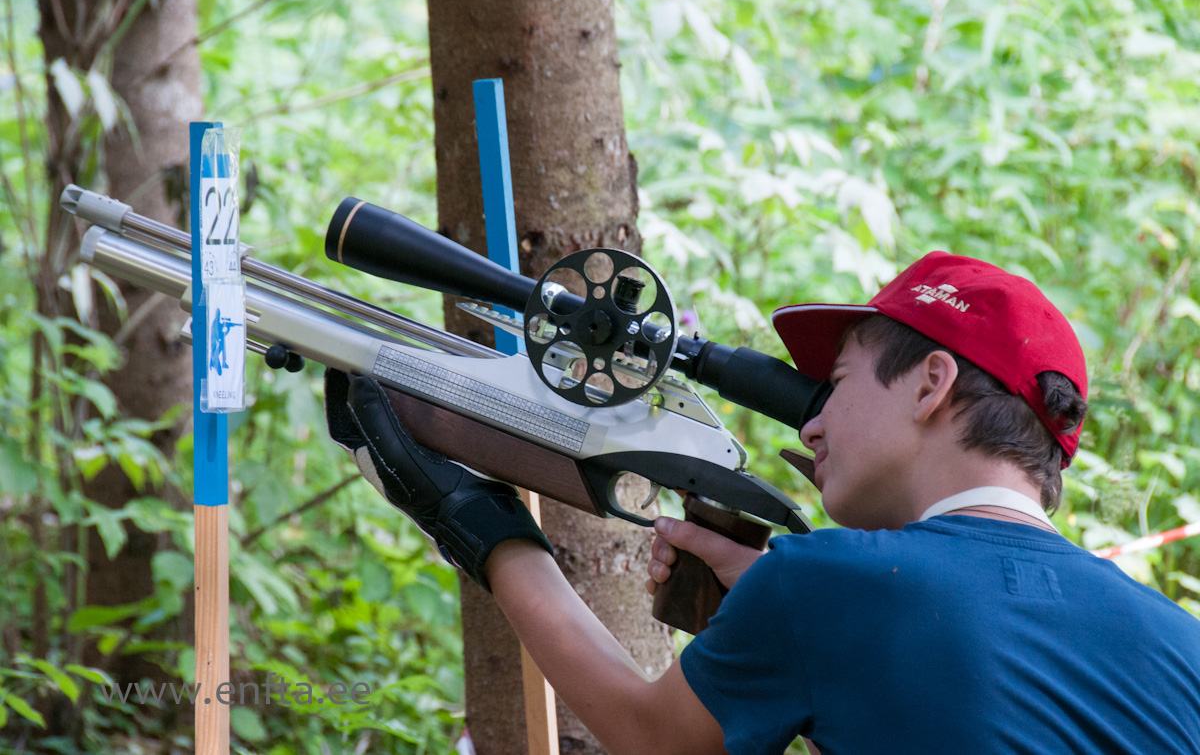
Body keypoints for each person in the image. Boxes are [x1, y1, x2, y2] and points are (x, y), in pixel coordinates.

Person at [327, 251, 1200, 754]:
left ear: (933, 382)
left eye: (836, 384)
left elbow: (649, 736)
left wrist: (481, 526)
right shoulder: (1178, 644)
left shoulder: (834, 584)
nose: (812, 422)